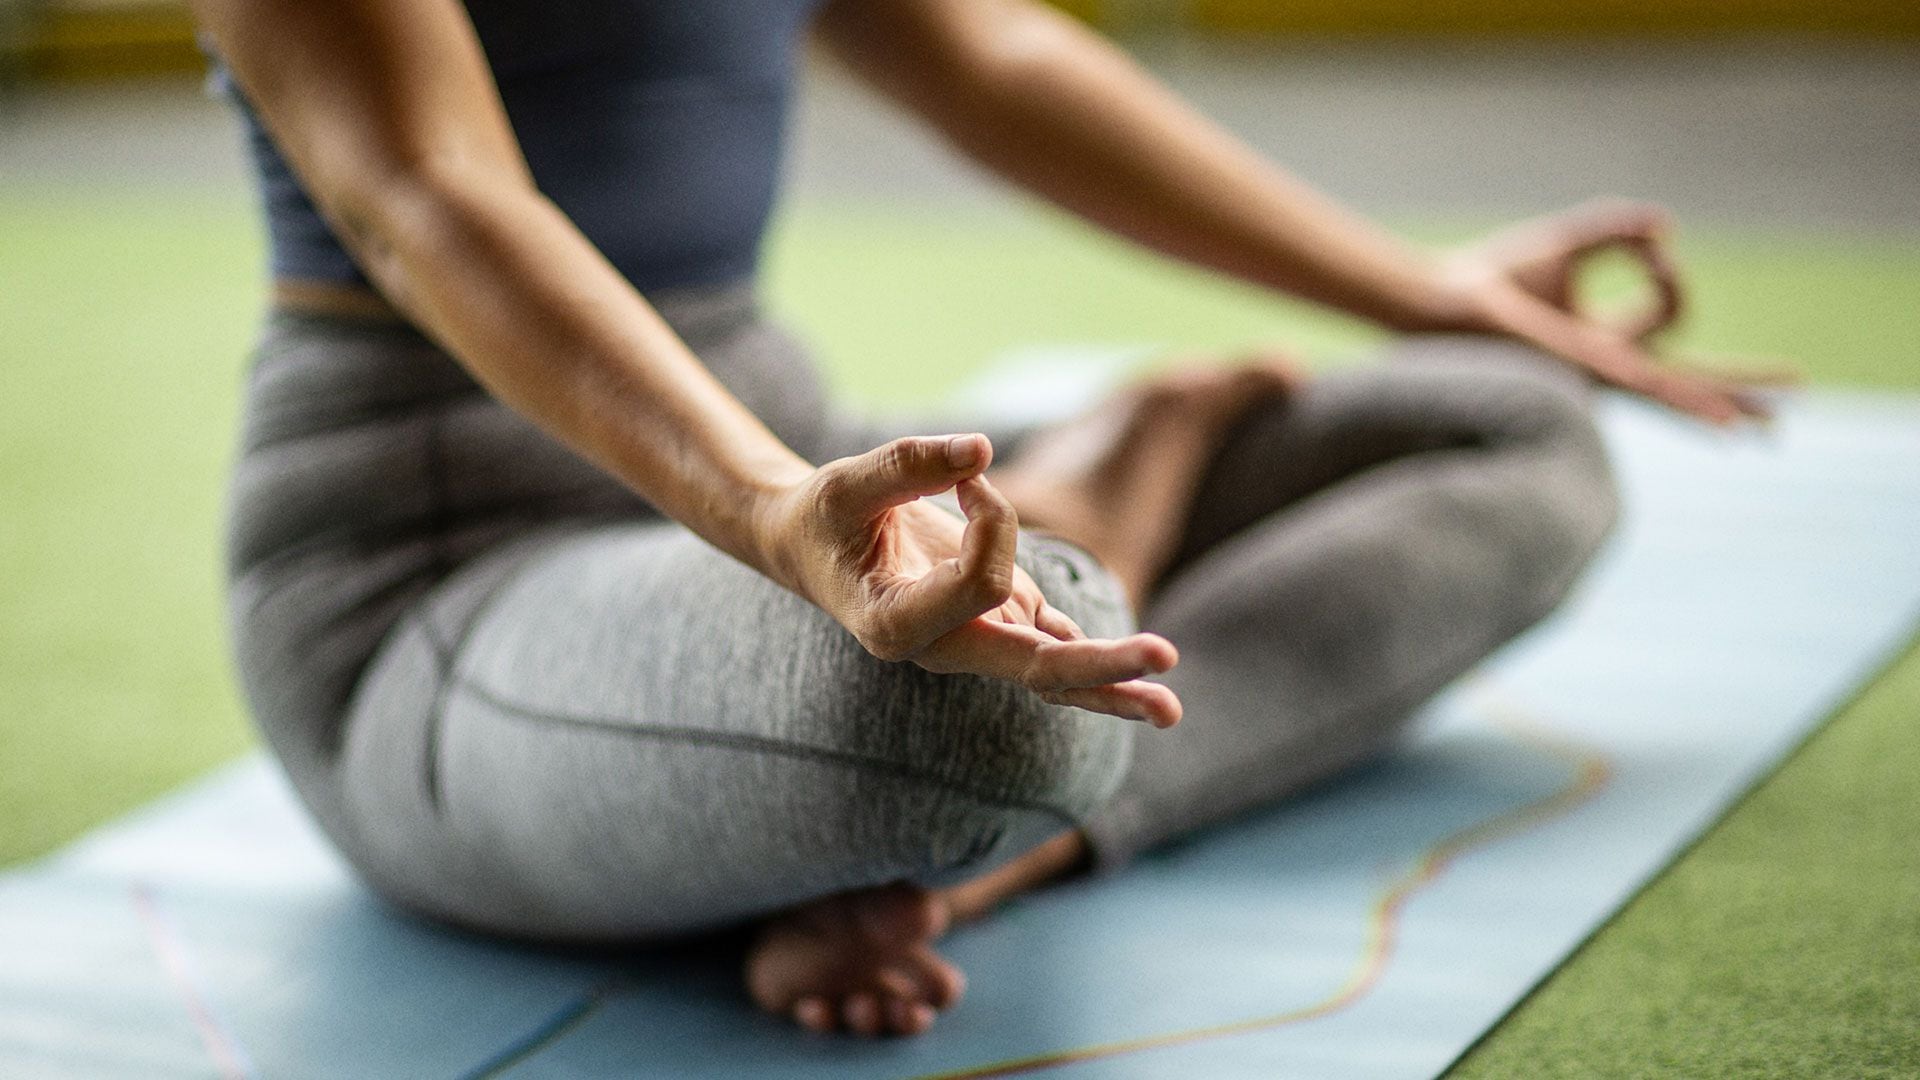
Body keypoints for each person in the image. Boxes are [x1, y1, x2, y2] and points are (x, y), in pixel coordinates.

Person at [194, 0, 1774, 1039]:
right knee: (984, 723)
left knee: (1513, 432)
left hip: (779, 452)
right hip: (444, 574)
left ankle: (963, 866)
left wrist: (1432, 294)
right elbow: (425, 194)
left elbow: (989, 57)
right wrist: (766, 512)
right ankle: (1104, 498)